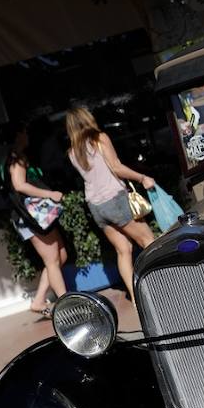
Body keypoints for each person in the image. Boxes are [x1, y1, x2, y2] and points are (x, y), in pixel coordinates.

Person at [64, 106, 157, 303]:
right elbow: (116, 167)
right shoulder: (99, 138)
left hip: (96, 206)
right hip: (114, 199)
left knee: (123, 251)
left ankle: (135, 296)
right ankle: (160, 285)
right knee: (148, 240)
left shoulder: (73, 152)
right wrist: (142, 178)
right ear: (87, 118)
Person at [0, 119, 68, 318]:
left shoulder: (14, 158)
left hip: (36, 217)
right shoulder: (16, 159)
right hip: (30, 217)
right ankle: (66, 303)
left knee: (59, 257)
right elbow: (19, 185)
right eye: (25, 132)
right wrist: (50, 194)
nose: (27, 135)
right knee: (52, 260)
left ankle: (38, 302)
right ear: (18, 135)